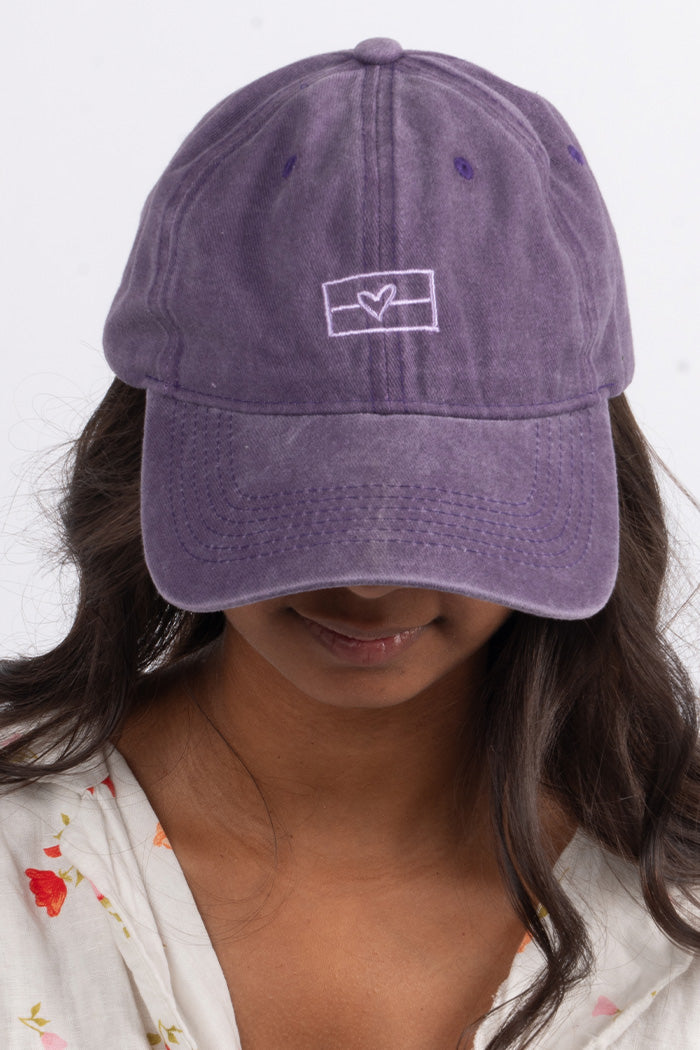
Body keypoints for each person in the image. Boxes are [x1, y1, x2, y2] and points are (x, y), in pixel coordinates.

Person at [1, 35, 698, 1050]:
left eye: (446, 499)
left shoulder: (677, 903)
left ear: (591, 467)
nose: (369, 581)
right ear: (147, 452)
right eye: (301, 495)